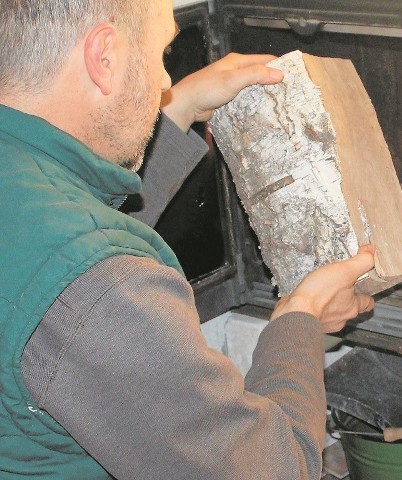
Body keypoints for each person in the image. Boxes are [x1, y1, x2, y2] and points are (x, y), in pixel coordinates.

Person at [0, 1, 376, 478]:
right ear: (104, 57)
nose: (163, 82)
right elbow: (272, 470)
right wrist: (299, 320)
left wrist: (180, 108)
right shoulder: (101, 294)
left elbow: (63, 225)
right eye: (160, 55)